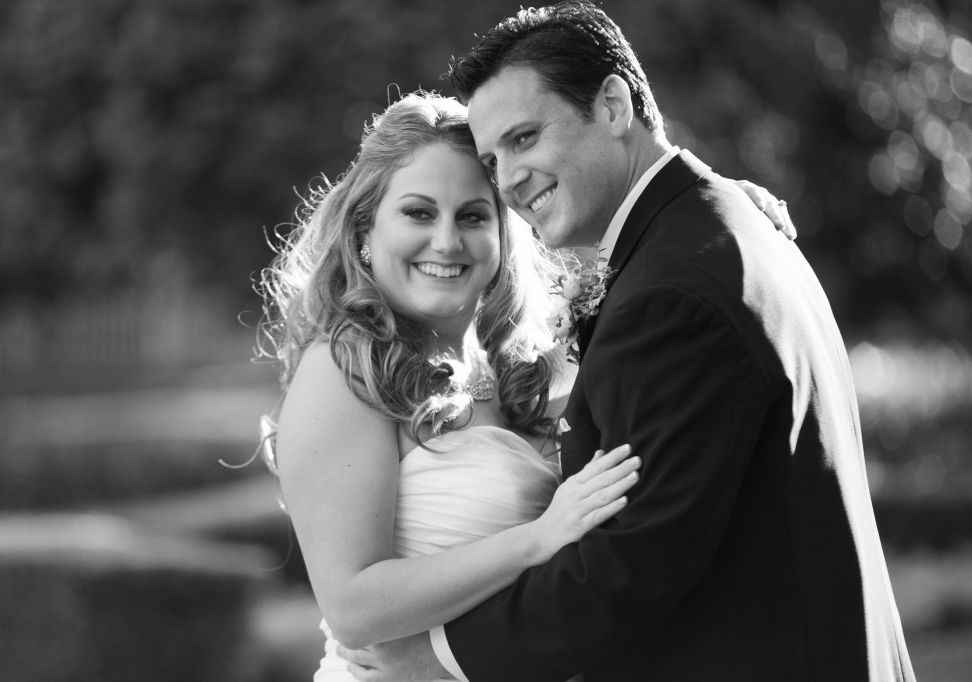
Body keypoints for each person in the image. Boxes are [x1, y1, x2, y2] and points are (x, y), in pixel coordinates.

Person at [335, 2, 915, 682]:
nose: (509, 179)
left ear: (612, 105)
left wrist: (437, 661)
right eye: (492, 161)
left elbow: (629, 564)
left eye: (525, 139)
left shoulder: (675, 285)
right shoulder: (722, 227)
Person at [260, 90, 794, 681]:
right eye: (418, 212)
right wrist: (537, 540)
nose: (446, 241)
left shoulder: (515, 368)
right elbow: (354, 606)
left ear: (503, 232)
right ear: (365, 227)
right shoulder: (344, 369)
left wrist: (716, 214)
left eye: (472, 216)